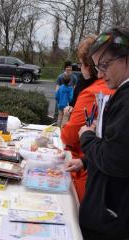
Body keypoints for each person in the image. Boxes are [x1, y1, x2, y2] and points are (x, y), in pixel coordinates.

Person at [66, 27, 129, 239]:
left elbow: (115, 159)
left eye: (104, 65)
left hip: (112, 218)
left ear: (125, 58)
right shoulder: (121, 93)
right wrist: (86, 161)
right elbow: (118, 145)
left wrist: (86, 137)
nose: (100, 74)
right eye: (96, 66)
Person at [62, 35, 114, 202]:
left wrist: (74, 128)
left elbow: (69, 136)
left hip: (89, 175)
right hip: (93, 165)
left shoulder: (92, 92)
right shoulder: (113, 87)